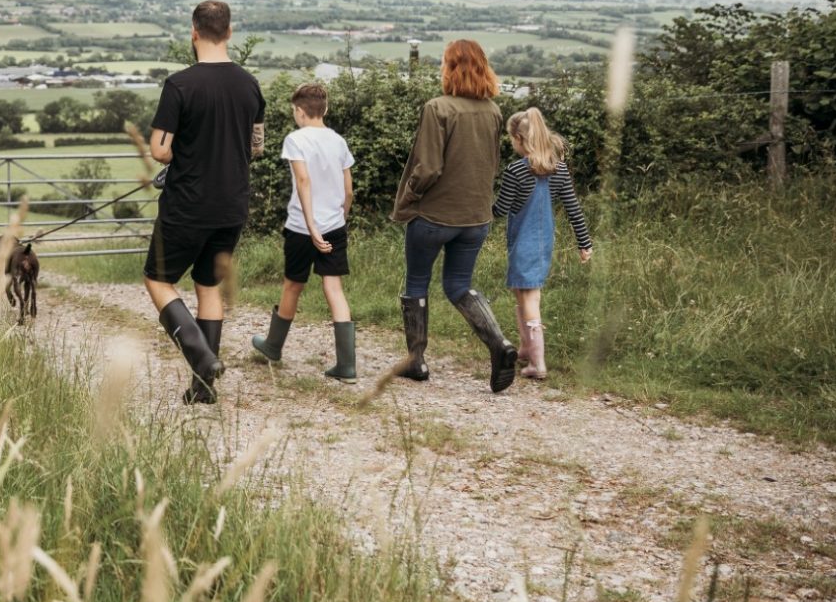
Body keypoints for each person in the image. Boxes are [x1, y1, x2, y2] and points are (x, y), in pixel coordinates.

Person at [145, 0, 266, 404]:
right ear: (229, 32)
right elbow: (256, 146)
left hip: (187, 204)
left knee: (159, 280)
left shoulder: (180, 84)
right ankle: (203, 388)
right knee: (208, 286)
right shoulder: (249, 84)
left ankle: (200, 353)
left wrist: (187, 151)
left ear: (194, 32)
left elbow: (160, 150)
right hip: (232, 203)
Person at [390, 39, 519, 393]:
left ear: (451, 68)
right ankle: (499, 344)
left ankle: (416, 361)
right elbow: (491, 164)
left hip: (434, 215)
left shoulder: (438, 108)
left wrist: (412, 195)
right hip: (476, 216)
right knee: (459, 285)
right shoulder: (493, 110)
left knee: (417, 282)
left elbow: (428, 167)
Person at [250, 82, 359, 382]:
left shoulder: (295, 139)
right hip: (335, 226)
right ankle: (347, 366)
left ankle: (273, 346)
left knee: (292, 285)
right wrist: (340, 219)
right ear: (325, 109)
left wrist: (311, 226)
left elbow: (303, 181)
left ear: (299, 111)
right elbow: (348, 190)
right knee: (333, 288)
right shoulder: (338, 141)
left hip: (301, 227)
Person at [493, 108, 593, 380]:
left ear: (518, 138)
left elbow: (501, 208)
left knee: (529, 297)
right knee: (521, 292)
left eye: (511, 140)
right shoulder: (557, 168)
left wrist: (477, 211)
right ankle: (526, 347)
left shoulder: (516, 170)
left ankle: (538, 363)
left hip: (524, 241)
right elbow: (573, 208)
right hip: (542, 240)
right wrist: (584, 243)